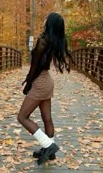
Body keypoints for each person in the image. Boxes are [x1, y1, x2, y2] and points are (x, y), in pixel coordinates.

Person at [17, 12, 72, 165]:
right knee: (46, 118)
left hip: (40, 82)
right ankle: (50, 151)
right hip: (46, 81)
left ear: (50, 23)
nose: (44, 19)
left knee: (22, 117)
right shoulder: (52, 41)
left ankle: (48, 145)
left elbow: (35, 66)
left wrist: (28, 83)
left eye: (46, 18)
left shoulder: (43, 41)